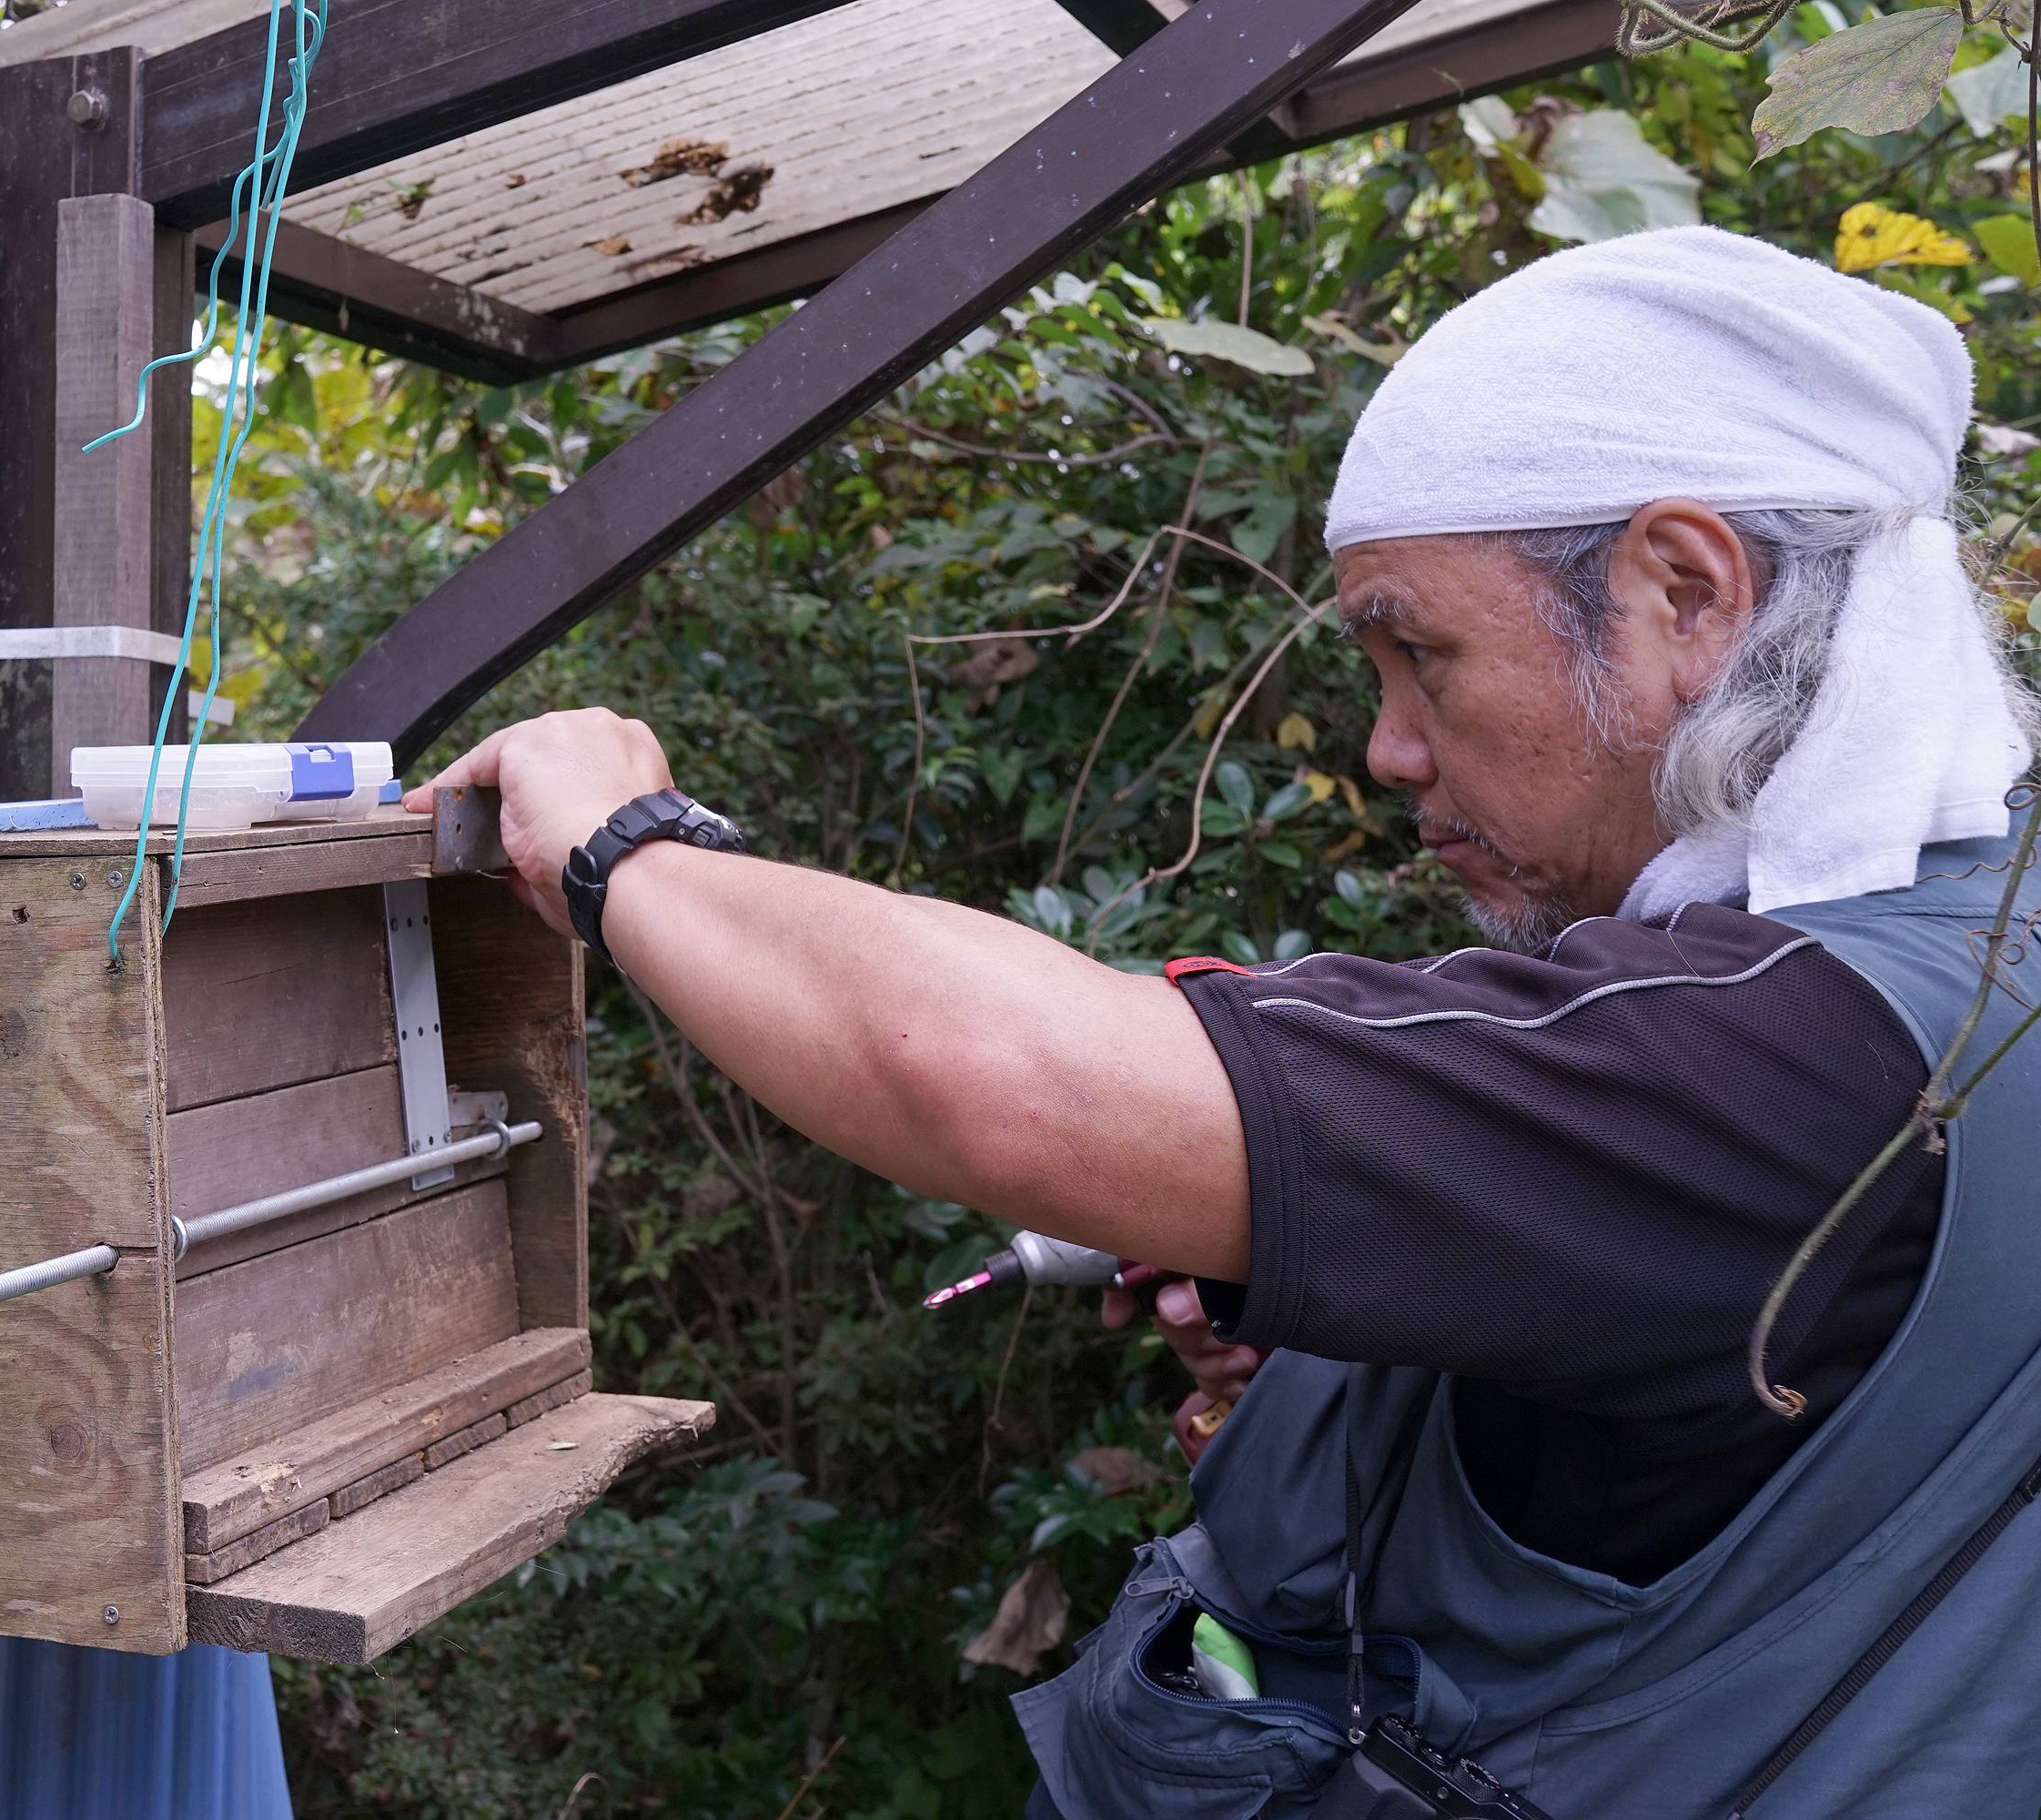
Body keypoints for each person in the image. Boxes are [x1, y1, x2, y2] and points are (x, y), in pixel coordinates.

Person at [405, 227, 2041, 1816]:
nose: (1394, 748)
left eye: (1422, 657)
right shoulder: (1958, 952)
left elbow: (1008, 1082)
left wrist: (629, 852)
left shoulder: (1801, 1052)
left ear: (1685, 594)